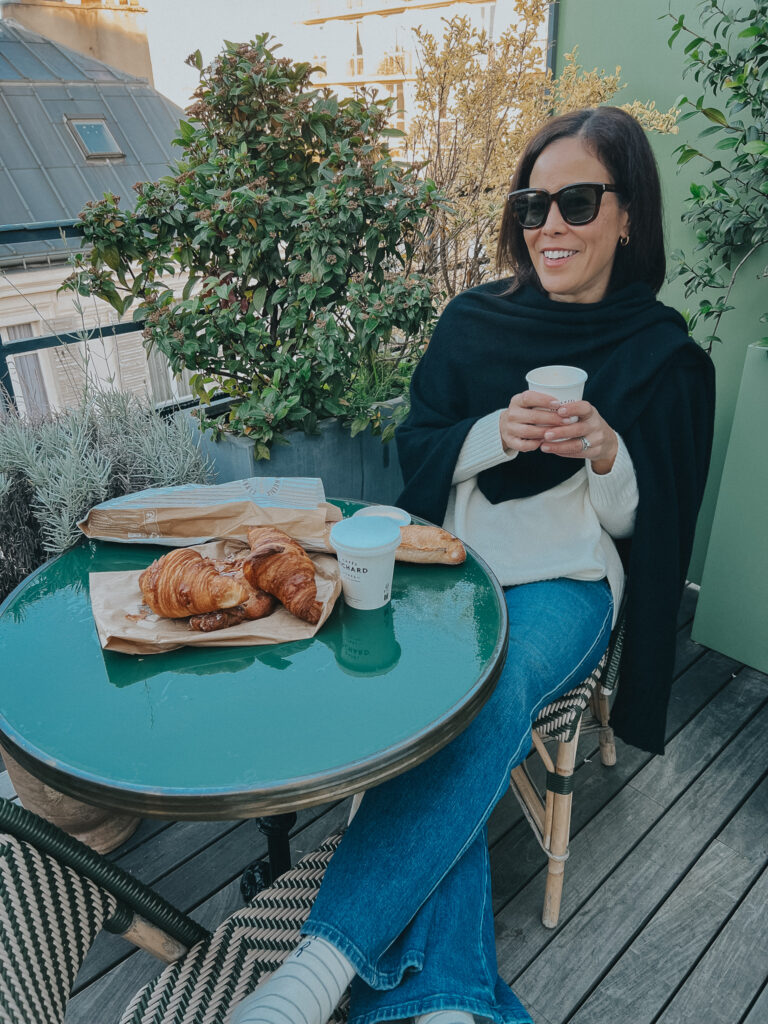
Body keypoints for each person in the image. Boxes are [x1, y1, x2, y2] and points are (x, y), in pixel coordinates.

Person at [231, 106, 715, 1024]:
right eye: (534, 205)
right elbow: (418, 447)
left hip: (565, 583)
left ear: (627, 216)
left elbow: (643, 527)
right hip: (453, 570)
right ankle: (449, 1003)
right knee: (419, 711)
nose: (550, 226)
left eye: (577, 202)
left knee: (483, 690)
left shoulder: (660, 354)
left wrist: (607, 453)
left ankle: (316, 968)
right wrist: (494, 433)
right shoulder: (473, 320)